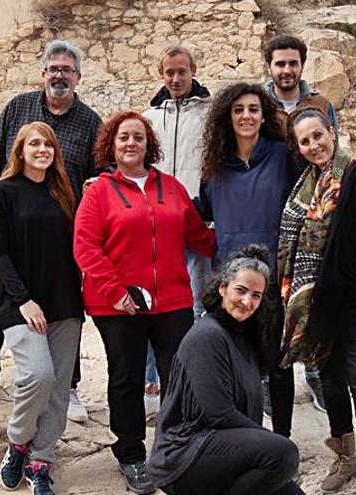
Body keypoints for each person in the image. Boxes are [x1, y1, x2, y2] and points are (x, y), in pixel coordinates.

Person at [0, 39, 100, 424]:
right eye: (53, 68)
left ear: (78, 78)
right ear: (42, 74)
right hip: (11, 216)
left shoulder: (90, 122)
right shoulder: (17, 108)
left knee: (63, 301)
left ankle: (66, 388)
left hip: (60, 229)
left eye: (66, 70)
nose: (59, 75)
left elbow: (99, 176)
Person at [73, 110, 215, 494]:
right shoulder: (98, 193)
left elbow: (198, 236)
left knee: (178, 378)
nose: (131, 143)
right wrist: (116, 292)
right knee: (127, 378)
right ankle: (131, 455)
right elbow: (85, 247)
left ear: (148, 144)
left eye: (138, 136)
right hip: (118, 305)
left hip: (172, 300)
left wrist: (237, 246)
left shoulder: (171, 188)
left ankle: (171, 449)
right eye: (123, 138)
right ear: (111, 146)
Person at [278, 108, 356, 495]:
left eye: (318, 136)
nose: (313, 146)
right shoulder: (304, 188)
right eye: (305, 141)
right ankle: (344, 458)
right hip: (316, 307)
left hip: (355, 305)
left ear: (332, 132)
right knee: (331, 383)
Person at [0, 122, 83, 495]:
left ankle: (41, 460)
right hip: (19, 303)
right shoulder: (3, 193)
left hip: (65, 302)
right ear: (20, 152)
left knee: (58, 389)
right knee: (38, 376)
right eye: (34, 144)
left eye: (48, 144)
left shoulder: (64, 195)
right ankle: (18, 442)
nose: (42, 149)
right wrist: (24, 300)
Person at [148, 245, 304, 495]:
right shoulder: (207, 336)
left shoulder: (247, 336)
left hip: (224, 449)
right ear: (223, 288)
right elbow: (218, 414)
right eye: (240, 291)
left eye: (256, 295)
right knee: (283, 453)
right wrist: (269, 444)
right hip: (186, 452)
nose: (247, 301)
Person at [195, 82, 301, 438]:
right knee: (239, 367)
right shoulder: (215, 166)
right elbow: (201, 211)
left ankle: (282, 442)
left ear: (263, 114)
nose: (246, 116)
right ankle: (246, 441)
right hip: (231, 281)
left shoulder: (282, 156)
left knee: (279, 366)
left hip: (274, 278)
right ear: (228, 116)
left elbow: (320, 179)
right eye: (238, 109)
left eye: (253, 109)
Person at [263, 34, 341, 415]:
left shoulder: (320, 103)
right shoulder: (260, 104)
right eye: (280, 63)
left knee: (313, 290)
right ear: (270, 67)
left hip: (316, 204)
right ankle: (273, 377)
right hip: (277, 204)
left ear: (301, 65)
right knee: (278, 295)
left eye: (293, 63)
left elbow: (334, 147)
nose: (287, 70)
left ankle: (315, 371)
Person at [141, 45, 214, 420]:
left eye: (182, 72)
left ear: (193, 70)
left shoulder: (211, 113)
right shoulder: (150, 116)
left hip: (196, 219)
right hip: (155, 223)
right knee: (153, 301)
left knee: (199, 302)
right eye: (169, 72)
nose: (175, 79)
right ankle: (152, 383)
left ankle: (197, 381)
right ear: (161, 73)